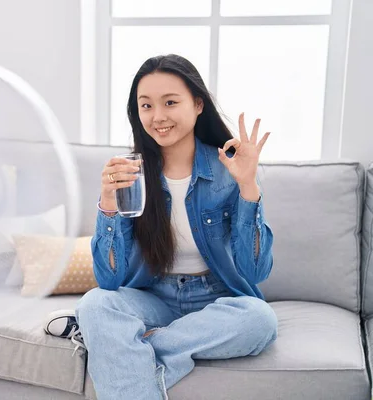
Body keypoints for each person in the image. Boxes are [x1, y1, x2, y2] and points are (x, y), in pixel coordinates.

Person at [44, 54, 277, 399]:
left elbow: (254, 272)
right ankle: (107, 332)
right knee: (96, 304)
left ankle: (120, 344)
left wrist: (248, 188)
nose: (158, 116)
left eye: (170, 102)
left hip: (215, 298)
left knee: (260, 320)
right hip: (153, 297)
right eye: (146, 105)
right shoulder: (131, 173)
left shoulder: (229, 169)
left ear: (198, 104)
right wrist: (108, 204)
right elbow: (109, 281)